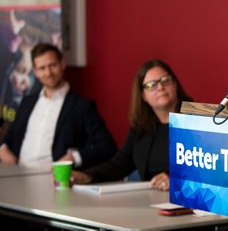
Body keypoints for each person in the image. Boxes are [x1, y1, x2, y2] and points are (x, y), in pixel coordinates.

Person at [70, 59, 193, 191]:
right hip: (150, 200)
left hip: (188, 200)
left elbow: (209, 169)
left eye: (165, 80)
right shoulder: (141, 128)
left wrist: (175, 179)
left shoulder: (196, 120)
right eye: (151, 85)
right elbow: (119, 164)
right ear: (143, 95)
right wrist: (86, 176)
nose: (160, 87)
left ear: (175, 84)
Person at [0, 43, 117, 169]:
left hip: (54, 179)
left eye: (52, 65)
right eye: (42, 68)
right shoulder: (27, 102)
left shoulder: (81, 106)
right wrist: (3, 148)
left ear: (62, 64)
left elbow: (107, 146)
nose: (48, 72)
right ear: (35, 72)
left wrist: (74, 157)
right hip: (18, 175)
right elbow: (9, 137)